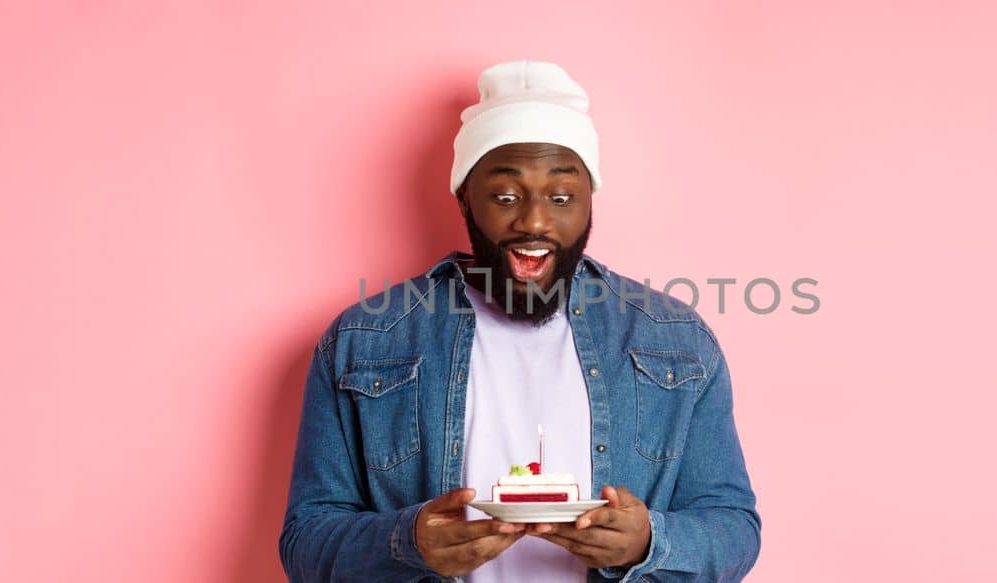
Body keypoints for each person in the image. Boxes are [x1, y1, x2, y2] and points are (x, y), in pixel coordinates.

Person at [279, 60, 760, 582]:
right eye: (505, 196)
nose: (533, 220)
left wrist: (649, 542)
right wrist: (407, 542)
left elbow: (735, 531)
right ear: (465, 196)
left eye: (561, 197)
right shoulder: (364, 340)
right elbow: (306, 543)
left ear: (589, 201)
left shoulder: (674, 339)